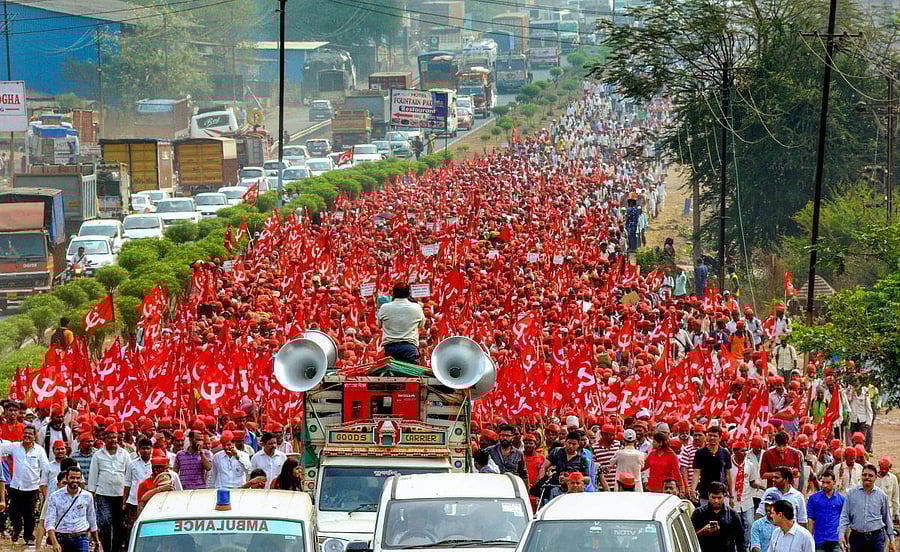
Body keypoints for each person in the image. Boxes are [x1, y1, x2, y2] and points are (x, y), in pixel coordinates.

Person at [0, 425, 49, 545]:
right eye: (25, 433)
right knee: (13, 512)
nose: (27, 435)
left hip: (31, 488)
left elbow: (46, 468)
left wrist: (43, 484)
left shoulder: (39, 450)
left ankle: (28, 536)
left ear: (34, 436)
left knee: (29, 514)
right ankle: (16, 531)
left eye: (30, 434)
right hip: (15, 486)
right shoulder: (15, 447)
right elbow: (1, 448)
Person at [87, 424, 130, 552]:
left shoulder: (125, 454)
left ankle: (116, 549)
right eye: (110, 438)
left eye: (115, 437)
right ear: (104, 439)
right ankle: (106, 547)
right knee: (105, 523)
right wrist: (91, 495)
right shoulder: (98, 455)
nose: (113, 440)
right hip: (103, 494)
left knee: (119, 525)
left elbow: (128, 475)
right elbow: (93, 476)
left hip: (120, 495)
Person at [838, 463, 895, 552]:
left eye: (870, 475)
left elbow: (887, 518)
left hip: (876, 539)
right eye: (864, 475)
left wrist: (892, 540)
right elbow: (845, 516)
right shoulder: (852, 494)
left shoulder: (882, 495)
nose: (867, 477)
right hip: (857, 538)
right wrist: (841, 534)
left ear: (876, 477)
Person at [45, 466, 101, 552]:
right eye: (72, 478)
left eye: (78, 478)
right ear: (67, 478)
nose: (75, 480)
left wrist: (97, 543)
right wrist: (55, 543)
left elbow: (92, 520)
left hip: (81, 537)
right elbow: (49, 522)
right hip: (62, 538)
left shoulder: (87, 496)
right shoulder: (55, 496)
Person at [375, 283, 426, 364]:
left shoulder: (384, 307)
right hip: (410, 348)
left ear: (393, 293)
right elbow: (421, 325)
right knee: (412, 375)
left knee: (390, 375)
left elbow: (378, 325)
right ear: (409, 293)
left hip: (390, 349)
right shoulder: (417, 307)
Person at [691, 481, 745, 552]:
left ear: (724, 496)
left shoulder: (733, 514)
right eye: (713, 497)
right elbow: (690, 538)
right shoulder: (698, 513)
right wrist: (703, 531)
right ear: (708, 495)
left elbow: (740, 540)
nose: (716, 501)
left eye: (719, 498)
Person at [694, 426, 733, 507]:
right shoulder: (700, 453)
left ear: (720, 438)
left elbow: (728, 475)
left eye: (715, 436)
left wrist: (731, 495)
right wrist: (693, 489)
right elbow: (697, 472)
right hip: (705, 493)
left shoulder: (725, 453)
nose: (712, 438)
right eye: (710, 435)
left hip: (721, 493)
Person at [807, 470, 844, 552]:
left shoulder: (841, 499)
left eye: (828, 483)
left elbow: (844, 520)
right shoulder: (813, 499)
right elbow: (810, 520)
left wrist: (845, 538)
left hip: (835, 539)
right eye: (823, 482)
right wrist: (809, 538)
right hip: (819, 539)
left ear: (834, 482)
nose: (825, 485)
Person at [612, 428, 645, 492]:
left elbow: (611, 464)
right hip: (637, 488)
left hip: (620, 488)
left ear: (624, 440)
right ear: (635, 440)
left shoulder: (619, 453)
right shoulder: (640, 454)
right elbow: (642, 467)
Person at [875, 457, 900, 529]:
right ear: (879, 466)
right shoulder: (873, 477)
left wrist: (896, 513)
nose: (883, 471)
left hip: (888, 512)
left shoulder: (893, 479)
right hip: (875, 511)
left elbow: (895, 497)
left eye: (885, 469)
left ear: (890, 467)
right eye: (882, 468)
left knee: (888, 534)